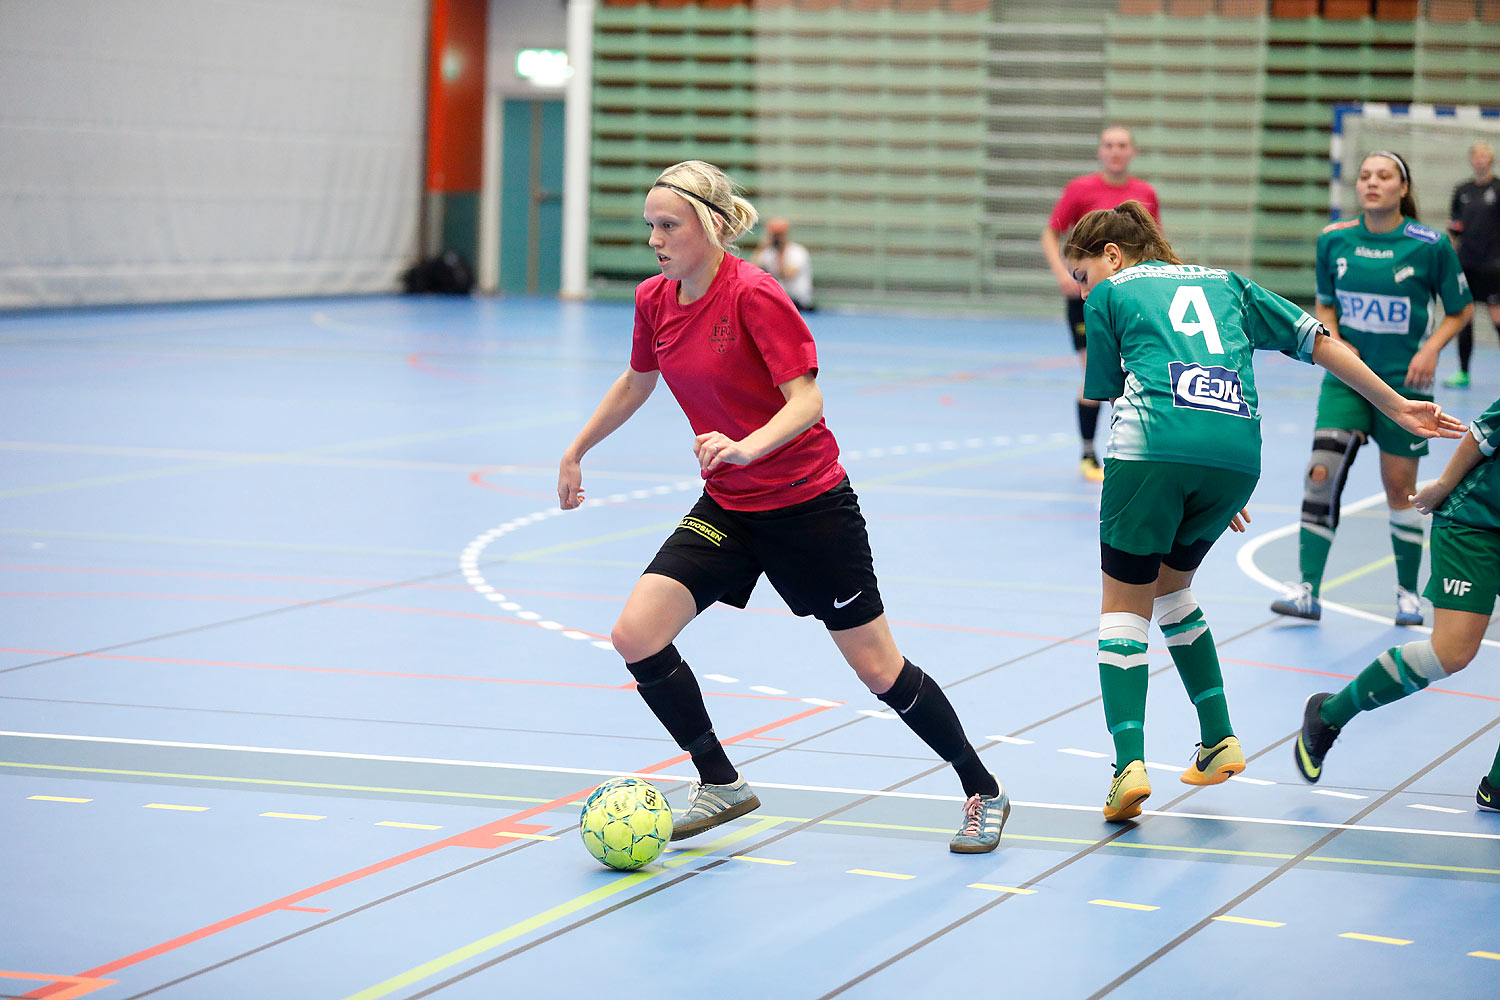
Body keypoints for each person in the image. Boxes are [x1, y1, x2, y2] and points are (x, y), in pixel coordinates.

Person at [557, 160, 1009, 853]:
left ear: (707, 227)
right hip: (731, 508)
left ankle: (982, 788)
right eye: (649, 225)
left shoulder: (754, 294)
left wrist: (745, 445)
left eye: (667, 225)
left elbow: (807, 401)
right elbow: (636, 380)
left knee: (878, 669)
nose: (654, 239)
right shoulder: (655, 300)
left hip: (809, 507)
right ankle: (721, 780)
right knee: (635, 634)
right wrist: (576, 449)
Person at [1065, 201, 1465, 823]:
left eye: (1084, 272)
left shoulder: (1112, 290)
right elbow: (1318, 342)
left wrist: (1174, 462)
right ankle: (1219, 736)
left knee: (1123, 609)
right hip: (1234, 456)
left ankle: (1127, 767)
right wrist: (1394, 405)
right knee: (1172, 591)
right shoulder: (1227, 283)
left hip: (1152, 447)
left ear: (1112, 256)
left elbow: (1105, 390)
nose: (1085, 286)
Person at [1271, 151, 1474, 627]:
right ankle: (1307, 590)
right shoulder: (1333, 239)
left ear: (1403, 188)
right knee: (1320, 472)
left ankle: (1407, 593)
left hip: (1406, 386)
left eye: (1384, 176)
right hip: (1347, 381)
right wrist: (1334, 340)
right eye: (1365, 176)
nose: (1372, 183)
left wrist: (1431, 350)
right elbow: (1325, 305)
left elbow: (1460, 309)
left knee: (1400, 488)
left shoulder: (1430, 245)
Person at [1292, 392, 1495, 814]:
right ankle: (1329, 714)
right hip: (1476, 523)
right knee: (1452, 652)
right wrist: (1443, 485)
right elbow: (1481, 435)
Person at [1042, 125, 1161, 482]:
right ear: (1100, 151)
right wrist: (1063, 275)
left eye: (1122, 145)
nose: (1115, 151)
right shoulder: (1080, 189)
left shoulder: (1144, 194)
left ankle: (1133, 449)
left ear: (1132, 152)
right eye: (1109, 145)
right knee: (1095, 369)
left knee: (1133, 372)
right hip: (1091, 300)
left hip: (1130, 300)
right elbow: (1051, 232)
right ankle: (1089, 452)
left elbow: (1154, 242)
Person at [1446, 140, 1500, 388]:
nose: (1479, 160)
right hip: (1466, 263)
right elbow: (1454, 224)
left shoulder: (1498, 189)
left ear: (1490, 160)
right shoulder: (1462, 190)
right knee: (1465, 317)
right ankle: (1463, 372)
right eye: (1475, 156)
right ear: (1471, 160)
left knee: (1497, 317)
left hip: (1493, 266)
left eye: (1483, 156)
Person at [753, 217, 814, 311]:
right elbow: (751, 272)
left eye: (779, 235)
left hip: (798, 303)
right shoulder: (768, 252)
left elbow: (788, 275)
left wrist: (780, 253)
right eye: (774, 235)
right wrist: (760, 248)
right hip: (778, 302)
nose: (777, 238)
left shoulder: (797, 252)